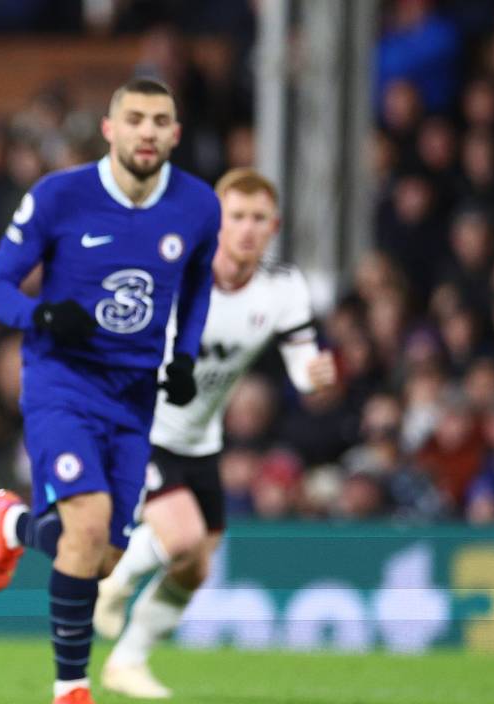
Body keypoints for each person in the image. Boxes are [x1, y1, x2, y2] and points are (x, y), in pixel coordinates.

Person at [0, 78, 220, 704]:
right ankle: (71, 689)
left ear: (175, 133)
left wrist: (186, 356)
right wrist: (42, 315)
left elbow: (196, 290)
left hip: (136, 396)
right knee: (86, 527)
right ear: (110, 129)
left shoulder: (197, 206)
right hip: (62, 383)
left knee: (105, 558)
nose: (147, 131)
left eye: (159, 120)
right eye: (134, 118)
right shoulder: (61, 195)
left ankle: (15, 525)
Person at [95, 167, 337, 698]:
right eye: (236, 217)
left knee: (196, 565)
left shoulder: (283, 288)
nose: (247, 229)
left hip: (201, 439)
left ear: (273, 227)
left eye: (258, 219)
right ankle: (113, 579)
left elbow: (302, 367)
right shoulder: (176, 274)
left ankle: (127, 662)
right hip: (141, 424)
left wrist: (315, 376)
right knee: (180, 536)